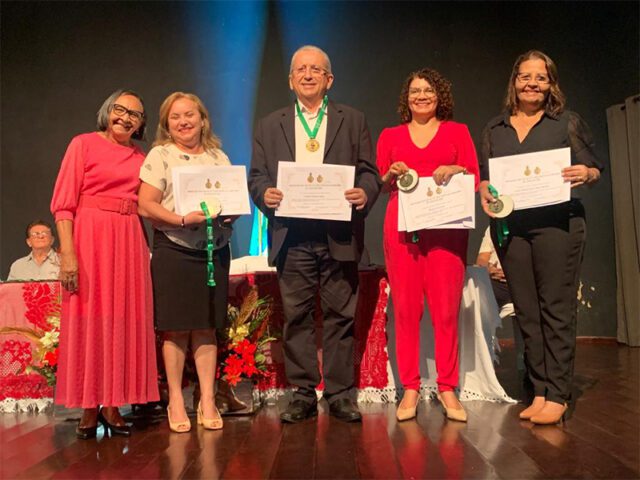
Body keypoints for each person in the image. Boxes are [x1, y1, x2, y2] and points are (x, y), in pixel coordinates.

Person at [248, 45, 380, 423]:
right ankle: (303, 393)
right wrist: (265, 195)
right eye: (300, 70)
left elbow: (369, 172)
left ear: (329, 79)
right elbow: (257, 177)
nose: (308, 75)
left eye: (316, 70)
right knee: (297, 317)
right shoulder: (269, 124)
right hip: (292, 235)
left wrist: (365, 192)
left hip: (338, 234)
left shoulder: (352, 119)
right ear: (290, 80)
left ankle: (340, 394)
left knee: (341, 315)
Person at [479, 50, 602, 425]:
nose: (532, 83)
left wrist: (586, 172)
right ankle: (539, 390)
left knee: (555, 309)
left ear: (551, 84)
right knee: (526, 313)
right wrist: (485, 190)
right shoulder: (494, 129)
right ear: (514, 81)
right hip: (512, 229)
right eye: (525, 76)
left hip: (558, 226)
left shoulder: (566, 123)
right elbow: (487, 178)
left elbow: (595, 169)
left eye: (541, 77)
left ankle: (558, 395)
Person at [51, 90, 159, 439]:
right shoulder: (82, 144)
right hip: (90, 238)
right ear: (107, 111)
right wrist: (67, 253)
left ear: (142, 124)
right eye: (120, 110)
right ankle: (87, 406)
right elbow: (63, 205)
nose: (126, 118)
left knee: (123, 320)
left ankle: (113, 405)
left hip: (129, 239)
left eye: (135, 115)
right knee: (89, 318)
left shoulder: (141, 154)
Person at [377, 68, 479, 422]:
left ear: (440, 97)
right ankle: (410, 387)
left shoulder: (458, 132)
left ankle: (448, 387)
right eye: (415, 91)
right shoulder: (390, 135)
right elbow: (381, 179)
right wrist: (392, 171)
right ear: (406, 97)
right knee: (405, 310)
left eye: (428, 91)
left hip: (447, 231)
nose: (421, 96)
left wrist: (455, 169)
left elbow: (474, 175)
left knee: (446, 311)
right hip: (402, 232)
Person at [138, 92, 233, 432]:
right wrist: (181, 219)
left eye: (189, 114)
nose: (183, 122)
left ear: (203, 118)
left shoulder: (218, 156)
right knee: (176, 328)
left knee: (207, 326)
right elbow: (145, 204)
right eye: (175, 117)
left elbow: (230, 199)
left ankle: (206, 398)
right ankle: (176, 399)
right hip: (175, 249)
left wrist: (230, 215)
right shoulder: (160, 155)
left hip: (213, 250)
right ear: (167, 124)